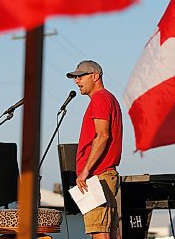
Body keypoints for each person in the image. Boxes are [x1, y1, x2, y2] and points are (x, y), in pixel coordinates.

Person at [66, 60, 123, 239]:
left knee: (99, 232)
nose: (77, 81)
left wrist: (85, 171)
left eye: (81, 76)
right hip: (102, 175)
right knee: (107, 231)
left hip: (97, 176)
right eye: (75, 77)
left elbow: (103, 135)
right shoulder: (106, 98)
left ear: (95, 76)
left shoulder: (100, 98)